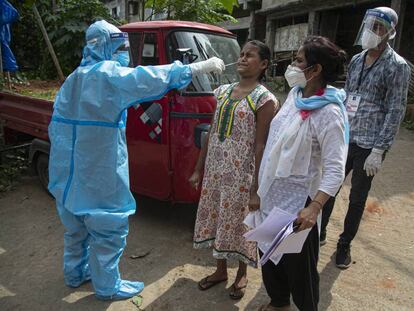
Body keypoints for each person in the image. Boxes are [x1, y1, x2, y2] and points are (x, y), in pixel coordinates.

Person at [48, 20, 224, 300]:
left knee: (76, 226)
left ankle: (75, 272)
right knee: (108, 227)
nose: (124, 53)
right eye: (119, 47)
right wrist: (197, 67)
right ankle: (107, 287)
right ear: (105, 47)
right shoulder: (108, 76)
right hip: (98, 168)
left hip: (67, 170)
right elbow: (150, 77)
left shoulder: (73, 78)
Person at [252, 36, 348, 311]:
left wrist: (314, 207)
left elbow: (335, 168)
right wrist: (257, 188)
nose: (292, 65)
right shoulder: (295, 98)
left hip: (297, 207)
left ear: (315, 70)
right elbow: (274, 144)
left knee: (298, 268)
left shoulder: (329, 113)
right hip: (271, 195)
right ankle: (279, 302)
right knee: (269, 255)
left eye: (298, 60)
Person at [320, 7, 411, 269]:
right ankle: (321, 231)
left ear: (390, 33)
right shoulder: (358, 59)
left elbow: (396, 109)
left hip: (369, 144)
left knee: (357, 198)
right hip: (346, 136)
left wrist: (379, 150)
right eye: (371, 25)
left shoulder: (397, 66)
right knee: (330, 186)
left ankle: (344, 245)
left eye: (380, 28)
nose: (373, 31)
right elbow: (349, 95)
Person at [190, 40, 279, 300]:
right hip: (217, 172)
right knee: (218, 217)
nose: (242, 58)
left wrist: (256, 188)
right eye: (241, 54)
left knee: (242, 224)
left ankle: (242, 273)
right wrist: (199, 169)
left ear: (263, 64)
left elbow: (262, 145)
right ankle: (220, 271)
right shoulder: (222, 92)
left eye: (249, 56)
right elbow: (211, 132)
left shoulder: (265, 100)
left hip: (243, 175)